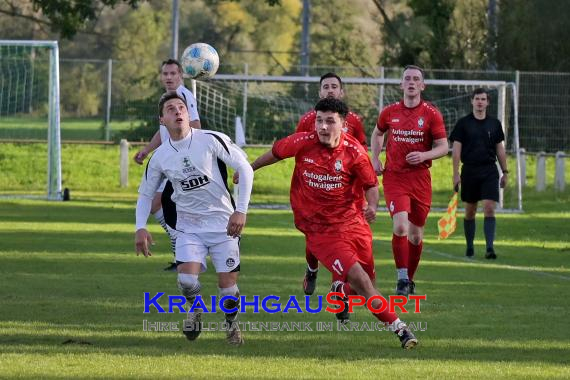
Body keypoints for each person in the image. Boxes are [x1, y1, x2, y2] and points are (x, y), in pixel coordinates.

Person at [249, 97, 418, 349]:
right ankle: (401, 330)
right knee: (361, 279)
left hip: (353, 224)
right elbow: (274, 153)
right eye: (319, 121)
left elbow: (371, 184)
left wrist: (372, 206)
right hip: (320, 229)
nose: (323, 127)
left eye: (330, 121)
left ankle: (339, 294)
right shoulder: (303, 142)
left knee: (368, 284)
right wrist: (249, 169)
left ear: (343, 124)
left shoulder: (354, 152)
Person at [135, 92, 254, 346]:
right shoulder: (159, 157)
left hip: (224, 226)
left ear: (188, 114)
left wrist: (241, 210)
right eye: (170, 109)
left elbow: (244, 168)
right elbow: (145, 194)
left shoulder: (210, 140)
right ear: (162, 120)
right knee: (187, 280)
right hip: (188, 226)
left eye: (181, 107)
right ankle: (195, 309)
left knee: (228, 289)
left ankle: (232, 325)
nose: (178, 112)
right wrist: (140, 227)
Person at [370, 65, 448, 297]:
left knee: (416, 235)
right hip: (395, 177)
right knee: (401, 226)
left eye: (416, 79)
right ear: (401, 84)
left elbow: (444, 147)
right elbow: (377, 133)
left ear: (422, 85)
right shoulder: (389, 112)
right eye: (407, 79)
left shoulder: (431, 114)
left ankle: (410, 279)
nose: (412, 82)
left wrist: (424, 155)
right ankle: (402, 279)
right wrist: (375, 158)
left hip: (421, 179)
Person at [296, 72, 368, 296]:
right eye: (325, 86)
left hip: (347, 193)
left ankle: (340, 288)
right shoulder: (308, 120)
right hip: (316, 191)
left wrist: (365, 194)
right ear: (320, 92)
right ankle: (312, 269)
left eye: (334, 86)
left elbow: (361, 155)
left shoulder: (353, 121)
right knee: (314, 235)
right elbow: (298, 149)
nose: (329, 89)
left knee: (343, 239)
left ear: (341, 91)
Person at [134, 59, 202, 271]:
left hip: (179, 162)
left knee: (160, 206)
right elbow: (163, 131)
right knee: (157, 206)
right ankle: (183, 253)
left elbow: (197, 126)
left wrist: (189, 155)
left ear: (181, 75)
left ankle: (186, 254)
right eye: (165, 74)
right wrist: (147, 150)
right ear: (161, 76)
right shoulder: (167, 99)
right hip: (167, 160)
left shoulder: (184, 96)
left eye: (173, 73)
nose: (169, 77)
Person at [450, 88, 508, 259]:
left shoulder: (495, 124)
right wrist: (455, 174)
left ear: (488, 102)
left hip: (489, 170)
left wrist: (505, 172)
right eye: (477, 99)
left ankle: (490, 248)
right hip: (469, 171)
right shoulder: (463, 124)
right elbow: (456, 151)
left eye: (483, 99)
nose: (480, 102)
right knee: (470, 211)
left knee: (489, 207)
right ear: (472, 101)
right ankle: (470, 247)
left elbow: (500, 149)